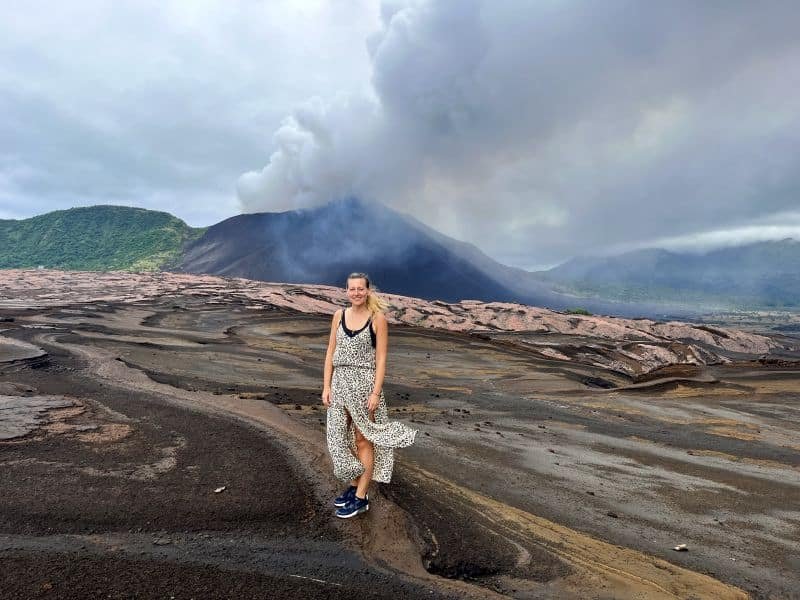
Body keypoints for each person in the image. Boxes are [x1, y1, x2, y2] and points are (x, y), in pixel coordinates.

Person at [321, 272, 417, 518]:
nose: (356, 293)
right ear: (346, 291)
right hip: (340, 383)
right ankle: (354, 486)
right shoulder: (338, 316)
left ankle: (361, 496)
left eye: (360, 289)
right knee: (339, 438)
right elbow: (331, 351)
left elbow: (381, 359)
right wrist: (326, 386)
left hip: (364, 386)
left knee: (363, 440)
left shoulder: (377, 319)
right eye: (351, 289)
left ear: (367, 291)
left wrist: (375, 392)